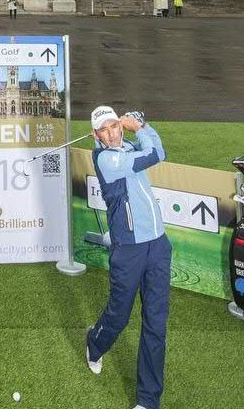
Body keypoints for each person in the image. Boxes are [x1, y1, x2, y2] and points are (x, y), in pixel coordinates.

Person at [84, 104, 171, 409]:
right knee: (119, 316)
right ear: (96, 135)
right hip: (129, 249)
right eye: (103, 130)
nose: (111, 134)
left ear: (119, 127)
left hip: (158, 245)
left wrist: (139, 127)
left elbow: (153, 149)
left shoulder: (128, 148)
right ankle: (95, 342)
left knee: (156, 324)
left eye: (114, 126)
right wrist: (140, 127)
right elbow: (157, 153)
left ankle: (148, 401)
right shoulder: (106, 160)